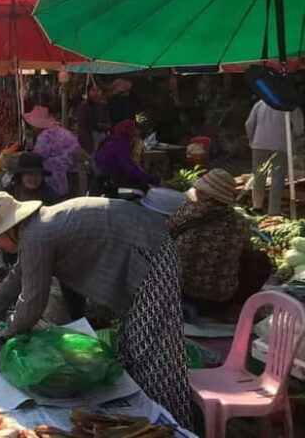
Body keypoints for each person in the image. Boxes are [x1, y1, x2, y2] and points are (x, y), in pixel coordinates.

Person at [0, 192, 191, 428]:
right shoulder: (36, 228)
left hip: (151, 251)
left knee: (150, 349)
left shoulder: (36, 235)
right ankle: (144, 418)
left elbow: (33, 299)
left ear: (10, 229)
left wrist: (8, 334)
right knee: (133, 343)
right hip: (146, 245)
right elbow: (17, 278)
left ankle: (167, 423)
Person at [168, 169, 269, 318]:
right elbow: (245, 251)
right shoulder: (239, 222)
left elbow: (167, 234)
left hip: (180, 290)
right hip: (219, 298)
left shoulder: (187, 210)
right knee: (259, 260)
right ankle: (235, 307)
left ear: (203, 194)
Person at [0, 153, 60, 275]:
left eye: (37, 174)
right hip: (8, 237)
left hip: (34, 241)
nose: (34, 178)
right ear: (20, 176)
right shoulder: (10, 191)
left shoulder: (48, 196)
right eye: (29, 174)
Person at [246, 99, 304, 215]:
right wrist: (295, 138)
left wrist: (252, 139)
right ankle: (273, 211)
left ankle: (257, 206)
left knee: (259, 177)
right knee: (277, 179)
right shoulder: (291, 105)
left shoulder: (261, 103)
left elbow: (249, 123)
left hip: (259, 144)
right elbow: (299, 129)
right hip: (281, 146)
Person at [24, 106, 86, 198]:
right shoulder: (61, 131)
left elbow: (38, 157)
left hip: (58, 178)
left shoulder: (45, 136)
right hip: (74, 174)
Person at [94, 120, 158, 193]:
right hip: (115, 183)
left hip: (105, 181)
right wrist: (154, 180)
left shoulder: (108, 143)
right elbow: (132, 170)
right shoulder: (119, 147)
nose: (138, 134)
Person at [76, 83, 110, 154]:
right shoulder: (84, 106)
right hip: (90, 136)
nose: (96, 93)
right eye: (93, 90)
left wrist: (104, 126)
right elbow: (82, 125)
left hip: (102, 135)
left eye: (98, 90)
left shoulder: (103, 105)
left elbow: (107, 120)